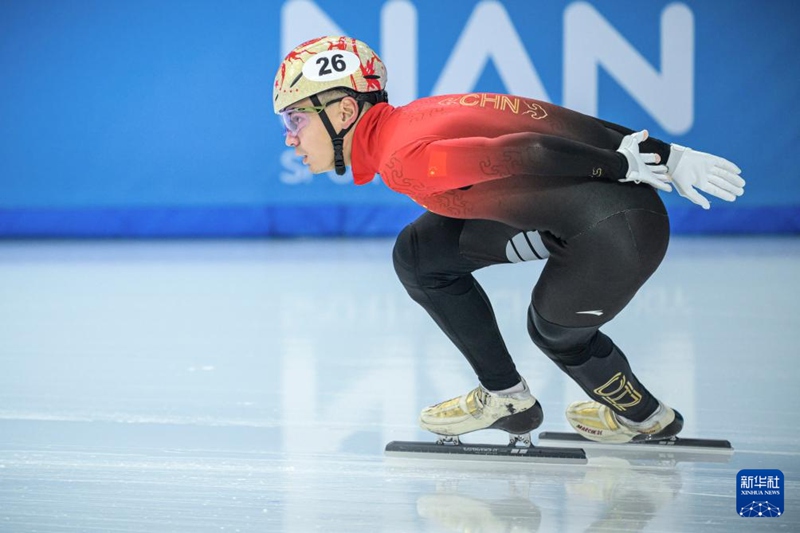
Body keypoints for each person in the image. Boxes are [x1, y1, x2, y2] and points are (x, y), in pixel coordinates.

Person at [273, 36, 745, 444]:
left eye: (296, 120)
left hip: (615, 234)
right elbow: (556, 121)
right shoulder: (421, 115)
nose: (291, 138)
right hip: (580, 213)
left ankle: (646, 418)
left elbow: (530, 150)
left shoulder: (404, 160)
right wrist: (669, 155)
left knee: (555, 335)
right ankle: (506, 398)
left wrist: (624, 166)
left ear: (345, 110)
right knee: (421, 255)